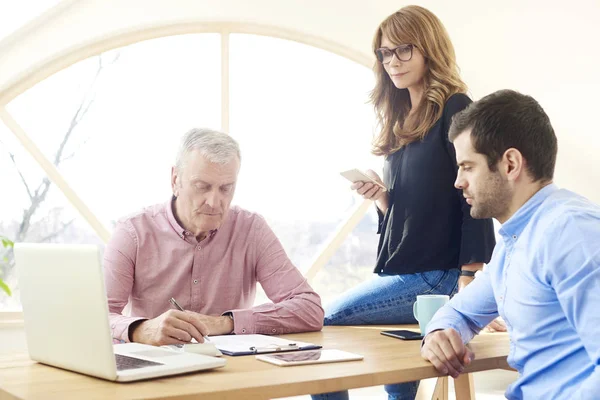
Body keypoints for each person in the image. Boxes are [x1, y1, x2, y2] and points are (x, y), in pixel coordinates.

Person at [313, 5, 497, 400]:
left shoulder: (456, 108)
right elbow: (416, 212)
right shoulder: (402, 121)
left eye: (403, 50)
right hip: (407, 270)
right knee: (399, 376)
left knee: (323, 321)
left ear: (428, 48)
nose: (391, 62)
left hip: (436, 275)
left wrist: (467, 280)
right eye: (385, 53)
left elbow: (475, 195)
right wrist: (382, 198)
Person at [422, 89, 600, 399]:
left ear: (510, 164)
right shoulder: (513, 242)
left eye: (467, 166)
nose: (458, 181)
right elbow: (460, 314)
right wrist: (438, 335)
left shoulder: (570, 232)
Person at [104, 128, 324, 345]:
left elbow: (309, 309)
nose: (213, 202)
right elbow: (97, 316)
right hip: (155, 368)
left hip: (230, 370)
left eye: (226, 189)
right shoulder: (133, 232)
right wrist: (141, 330)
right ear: (175, 180)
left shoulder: (251, 229)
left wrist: (225, 322)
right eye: (202, 187)